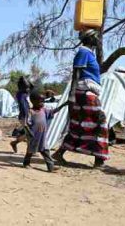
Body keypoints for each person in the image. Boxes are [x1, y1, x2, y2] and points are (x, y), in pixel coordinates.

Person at [52, 29, 109, 168]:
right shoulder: (83, 52)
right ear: (89, 39)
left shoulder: (89, 54)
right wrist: (71, 95)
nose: (98, 39)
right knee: (100, 123)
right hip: (85, 94)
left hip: (86, 94)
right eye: (96, 37)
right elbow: (76, 74)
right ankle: (99, 160)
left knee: (80, 124)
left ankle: (60, 153)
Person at [23, 91, 67, 172]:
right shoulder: (30, 112)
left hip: (42, 136)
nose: (43, 103)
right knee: (30, 150)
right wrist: (30, 133)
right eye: (41, 101)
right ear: (33, 101)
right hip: (34, 136)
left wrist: (63, 105)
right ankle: (26, 163)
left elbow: (53, 111)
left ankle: (51, 167)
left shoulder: (44, 110)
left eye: (43, 101)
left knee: (45, 150)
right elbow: (26, 124)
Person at [10, 76, 33, 153]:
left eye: (28, 87)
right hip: (24, 117)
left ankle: (14, 143)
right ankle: (29, 152)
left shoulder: (26, 93)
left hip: (28, 116)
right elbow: (23, 108)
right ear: (22, 87)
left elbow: (32, 87)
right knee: (30, 134)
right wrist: (25, 121)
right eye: (26, 87)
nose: (28, 89)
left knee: (28, 134)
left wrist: (26, 80)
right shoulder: (20, 95)